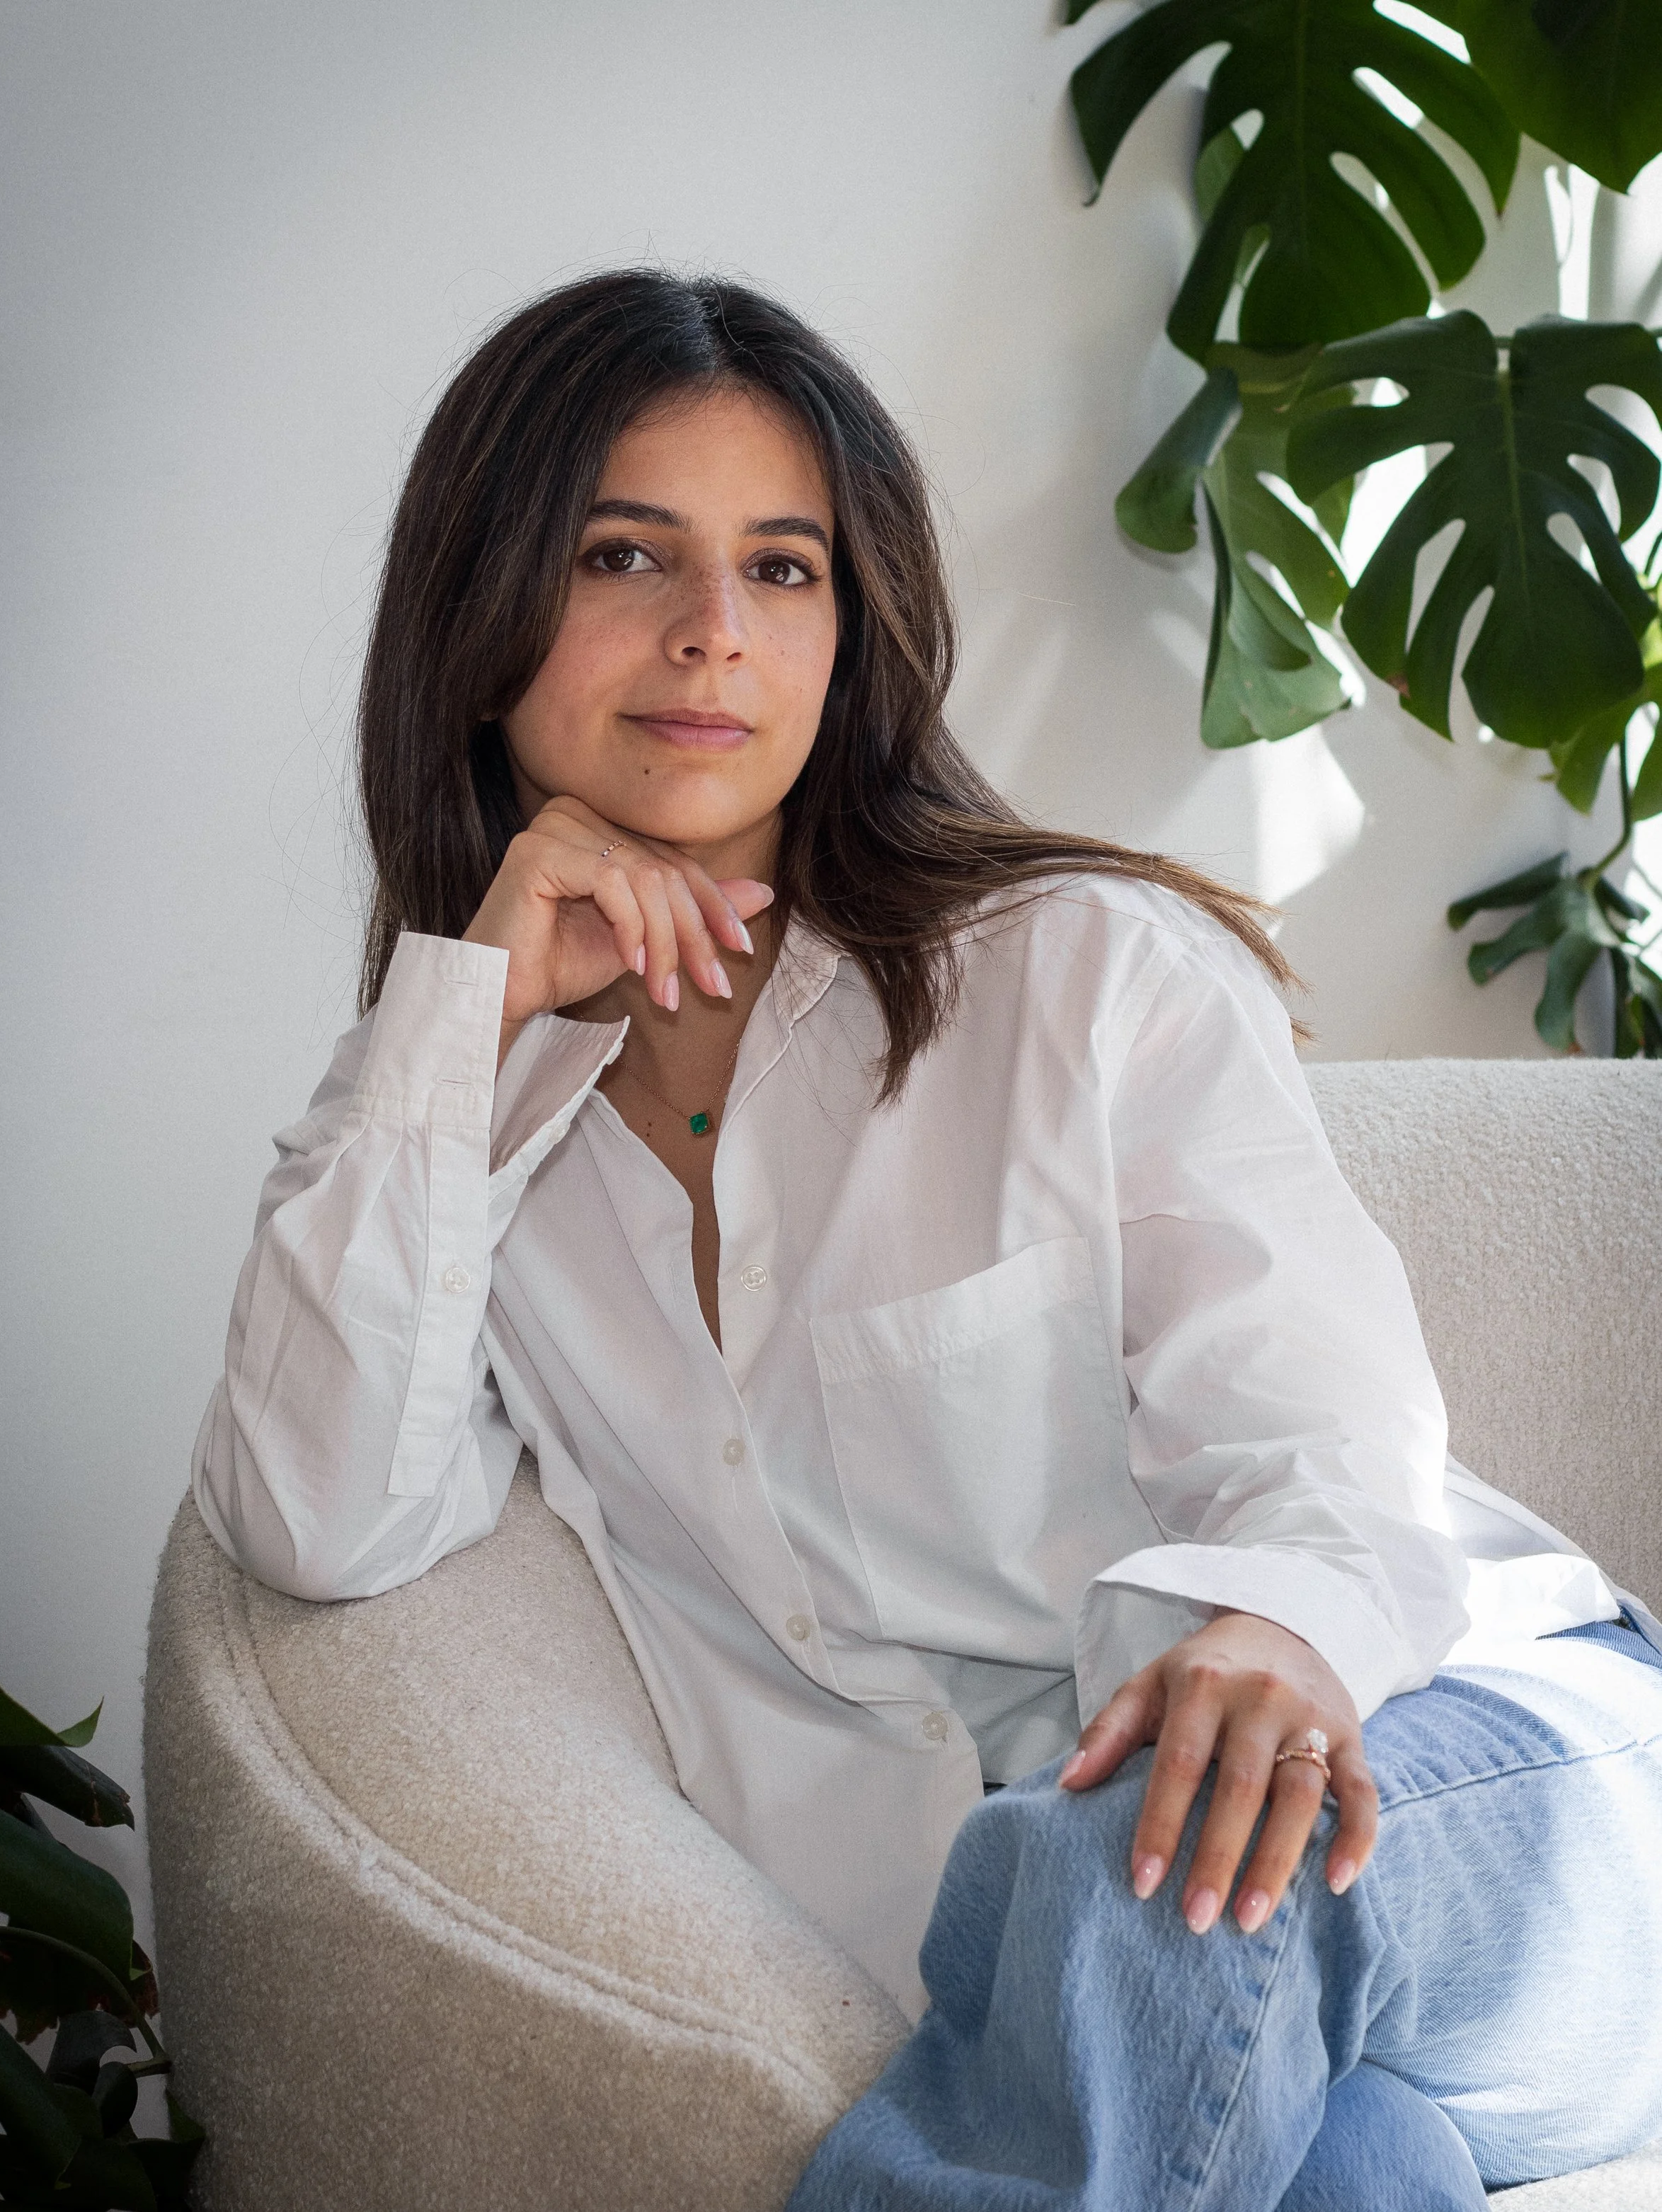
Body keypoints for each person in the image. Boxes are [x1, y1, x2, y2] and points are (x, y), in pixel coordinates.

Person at [193, 270, 1662, 2208]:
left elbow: (1334, 1440)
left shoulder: (1083, 974)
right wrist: (459, 1020)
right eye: (625, 555)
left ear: (850, 628)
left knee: (1138, 1852)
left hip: (1452, 1773)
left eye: (781, 568)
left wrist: (1272, 1629)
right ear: (478, 620)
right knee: (1342, 2163)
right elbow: (311, 1519)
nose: (713, 631)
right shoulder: (456, 1117)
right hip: (1102, 1981)